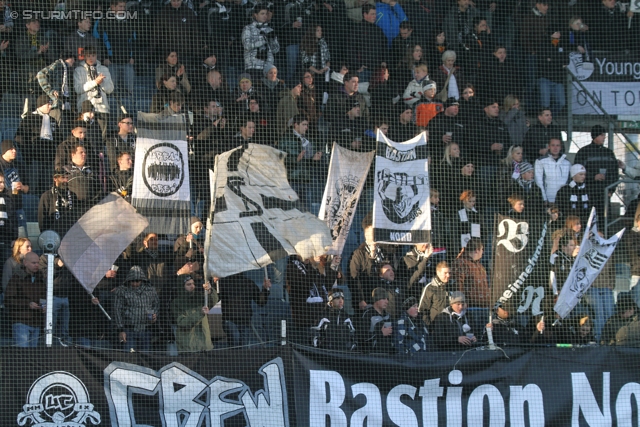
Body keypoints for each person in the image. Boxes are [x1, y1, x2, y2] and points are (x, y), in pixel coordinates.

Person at [574, 125, 620, 219]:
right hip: (587, 193)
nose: (604, 137)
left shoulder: (609, 153)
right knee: (587, 219)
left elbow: (615, 173)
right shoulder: (584, 152)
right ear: (596, 136)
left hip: (604, 193)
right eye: (602, 135)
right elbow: (577, 171)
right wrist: (593, 177)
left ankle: (604, 234)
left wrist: (611, 190)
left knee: (605, 220)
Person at [278, 114, 323, 211]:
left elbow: (310, 161)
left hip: (306, 179)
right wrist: (295, 159)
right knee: (291, 210)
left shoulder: (308, 139)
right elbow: (279, 159)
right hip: (292, 179)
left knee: (306, 210)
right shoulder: (285, 139)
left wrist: (314, 159)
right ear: (296, 125)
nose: (306, 127)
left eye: (307, 125)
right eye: (304, 124)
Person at [114, 265, 160, 352]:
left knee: (146, 358)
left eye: (137, 281)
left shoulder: (150, 290)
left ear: (142, 280)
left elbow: (156, 305)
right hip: (129, 330)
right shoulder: (122, 291)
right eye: (132, 281)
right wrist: (121, 330)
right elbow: (117, 310)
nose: (135, 284)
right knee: (129, 359)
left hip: (146, 330)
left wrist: (155, 315)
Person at [5, 252, 46, 347]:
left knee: (32, 355)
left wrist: (44, 306)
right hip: (21, 321)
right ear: (25, 263)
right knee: (22, 354)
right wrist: (27, 304)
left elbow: (43, 296)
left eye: (38, 263)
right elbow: (8, 300)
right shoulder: (16, 279)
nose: (36, 265)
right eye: (33, 263)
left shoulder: (40, 279)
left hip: (36, 321)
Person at [218, 273, 271, 346]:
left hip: (245, 321)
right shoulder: (224, 282)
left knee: (244, 347)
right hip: (230, 320)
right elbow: (215, 297)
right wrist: (214, 284)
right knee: (235, 342)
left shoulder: (248, 283)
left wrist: (265, 289)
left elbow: (261, 301)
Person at [73, 46, 114, 138]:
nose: (91, 58)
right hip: (85, 108)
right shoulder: (78, 70)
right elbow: (78, 89)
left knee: (102, 136)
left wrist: (101, 83)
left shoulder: (104, 69)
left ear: (96, 56)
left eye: (93, 55)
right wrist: (95, 82)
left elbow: (110, 89)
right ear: (84, 57)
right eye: (88, 56)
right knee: (86, 136)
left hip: (101, 108)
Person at [171, 274, 218, 353]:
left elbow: (213, 301)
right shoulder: (176, 303)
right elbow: (182, 322)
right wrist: (200, 313)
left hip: (204, 344)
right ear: (182, 286)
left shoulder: (200, 297)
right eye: (188, 284)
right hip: (188, 346)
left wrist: (210, 291)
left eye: (193, 283)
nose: (192, 286)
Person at [242, 3, 280, 80]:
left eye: (266, 14)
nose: (265, 16)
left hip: (268, 67)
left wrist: (272, 40)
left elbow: (276, 50)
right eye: (262, 13)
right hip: (253, 66)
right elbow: (246, 45)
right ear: (255, 15)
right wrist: (264, 39)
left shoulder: (270, 30)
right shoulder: (248, 28)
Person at [452, 237, 490, 311]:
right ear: (477, 250)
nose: (483, 252)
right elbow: (458, 284)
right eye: (482, 249)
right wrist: (461, 302)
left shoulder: (479, 266)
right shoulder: (461, 263)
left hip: (485, 306)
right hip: (471, 307)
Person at [38, 169, 78, 238]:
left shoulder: (73, 195)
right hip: (52, 234)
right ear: (55, 178)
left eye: (67, 177)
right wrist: (45, 234)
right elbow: (42, 218)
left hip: (70, 234)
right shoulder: (47, 195)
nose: (65, 180)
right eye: (62, 177)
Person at [534, 138, 571, 205]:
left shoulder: (567, 163)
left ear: (561, 147)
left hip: (563, 200)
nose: (555, 148)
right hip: (548, 200)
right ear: (549, 147)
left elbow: (569, 181)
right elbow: (539, 181)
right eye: (553, 145)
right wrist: (544, 199)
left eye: (557, 145)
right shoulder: (540, 161)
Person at [358, 287, 394, 353]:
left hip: (388, 355)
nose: (387, 301)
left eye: (387, 299)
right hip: (373, 356)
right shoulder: (367, 315)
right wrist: (381, 333)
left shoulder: (388, 316)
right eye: (383, 298)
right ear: (376, 300)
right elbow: (362, 337)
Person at [418, 261, 451, 326]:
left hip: (450, 326)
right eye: (445, 273)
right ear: (438, 272)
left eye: (449, 273)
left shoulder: (452, 286)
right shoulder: (429, 288)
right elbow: (422, 310)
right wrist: (429, 327)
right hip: (435, 326)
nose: (448, 275)